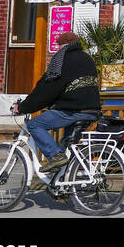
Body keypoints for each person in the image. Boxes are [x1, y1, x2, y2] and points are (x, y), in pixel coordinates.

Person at [12, 31, 101, 171]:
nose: (57, 49)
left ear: (63, 46)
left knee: (34, 125)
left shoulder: (61, 60)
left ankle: (55, 156)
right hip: (91, 110)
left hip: (72, 111)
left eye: (58, 46)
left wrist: (23, 107)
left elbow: (46, 90)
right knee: (66, 147)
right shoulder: (87, 58)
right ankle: (64, 183)